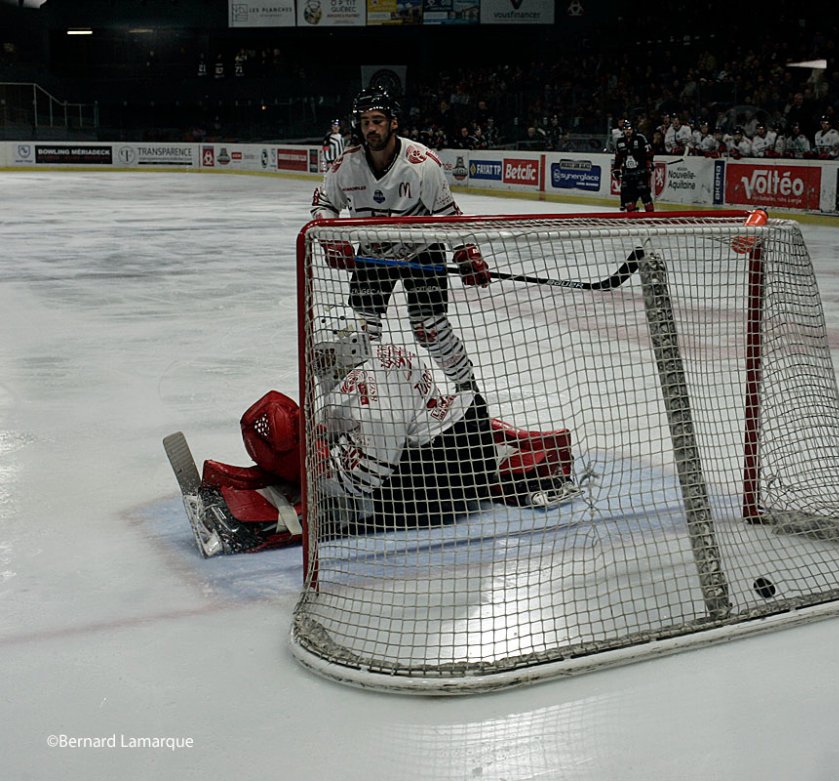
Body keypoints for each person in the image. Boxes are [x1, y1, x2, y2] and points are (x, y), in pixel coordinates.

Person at [175, 310, 580, 556]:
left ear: (348, 350)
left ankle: (257, 523)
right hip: (468, 428)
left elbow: (369, 475)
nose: (320, 366)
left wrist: (316, 476)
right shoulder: (385, 355)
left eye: (325, 357)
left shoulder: (365, 395)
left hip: (446, 478)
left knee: (361, 506)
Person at [311, 86, 489, 391]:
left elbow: (449, 215)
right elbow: (323, 205)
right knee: (359, 332)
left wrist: (466, 252)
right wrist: (333, 241)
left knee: (429, 328)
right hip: (372, 254)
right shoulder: (345, 165)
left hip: (421, 251)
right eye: (365, 122)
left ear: (393, 122)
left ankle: (469, 391)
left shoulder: (422, 163)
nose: (371, 128)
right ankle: (360, 397)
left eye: (377, 120)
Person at [611, 119, 656, 212]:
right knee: (627, 195)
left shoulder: (640, 138)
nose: (628, 131)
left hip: (641, 171)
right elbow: (618, 157)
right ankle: (632, 213)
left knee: (644, 193)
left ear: (633, 129)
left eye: (630, 129)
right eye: (626, 129)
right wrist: (616, 169)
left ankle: (650, 213)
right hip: (628, 172)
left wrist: (649, 162)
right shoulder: (620, 141)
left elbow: (649, 151)